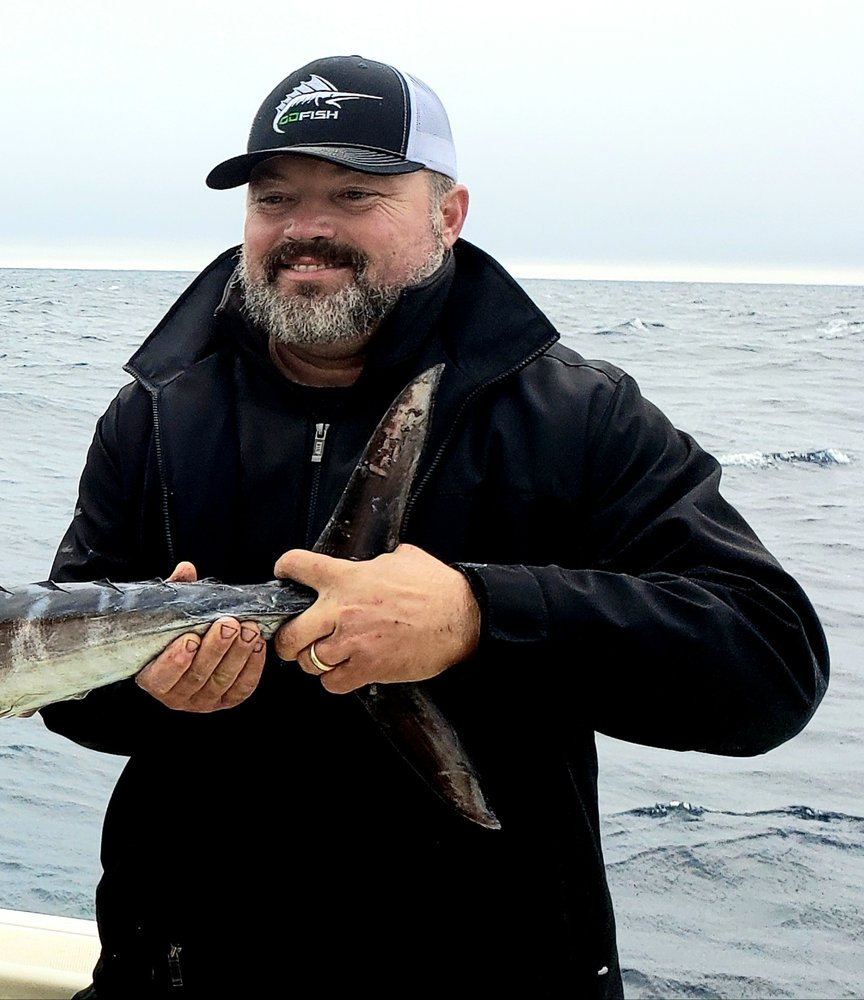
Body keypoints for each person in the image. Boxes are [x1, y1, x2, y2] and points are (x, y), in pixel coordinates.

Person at [40, 56, 828, 996]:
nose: (305, 229)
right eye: (274, 197)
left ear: (447, 214)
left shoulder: (579, 415)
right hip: (180, 968)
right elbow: (69, 696)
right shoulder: (154, 415)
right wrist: (148, 686)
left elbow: (770, 663)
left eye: (355, 193)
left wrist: (480, 619)